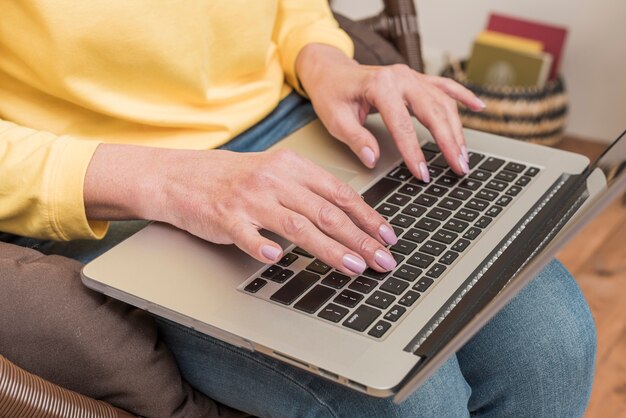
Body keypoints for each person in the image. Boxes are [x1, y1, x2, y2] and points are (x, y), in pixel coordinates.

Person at [0, 1, 595, 417]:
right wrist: (172, 180)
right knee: (410, 398)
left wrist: (326, 62)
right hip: (103, 178)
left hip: (283, 119)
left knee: (554, 340)